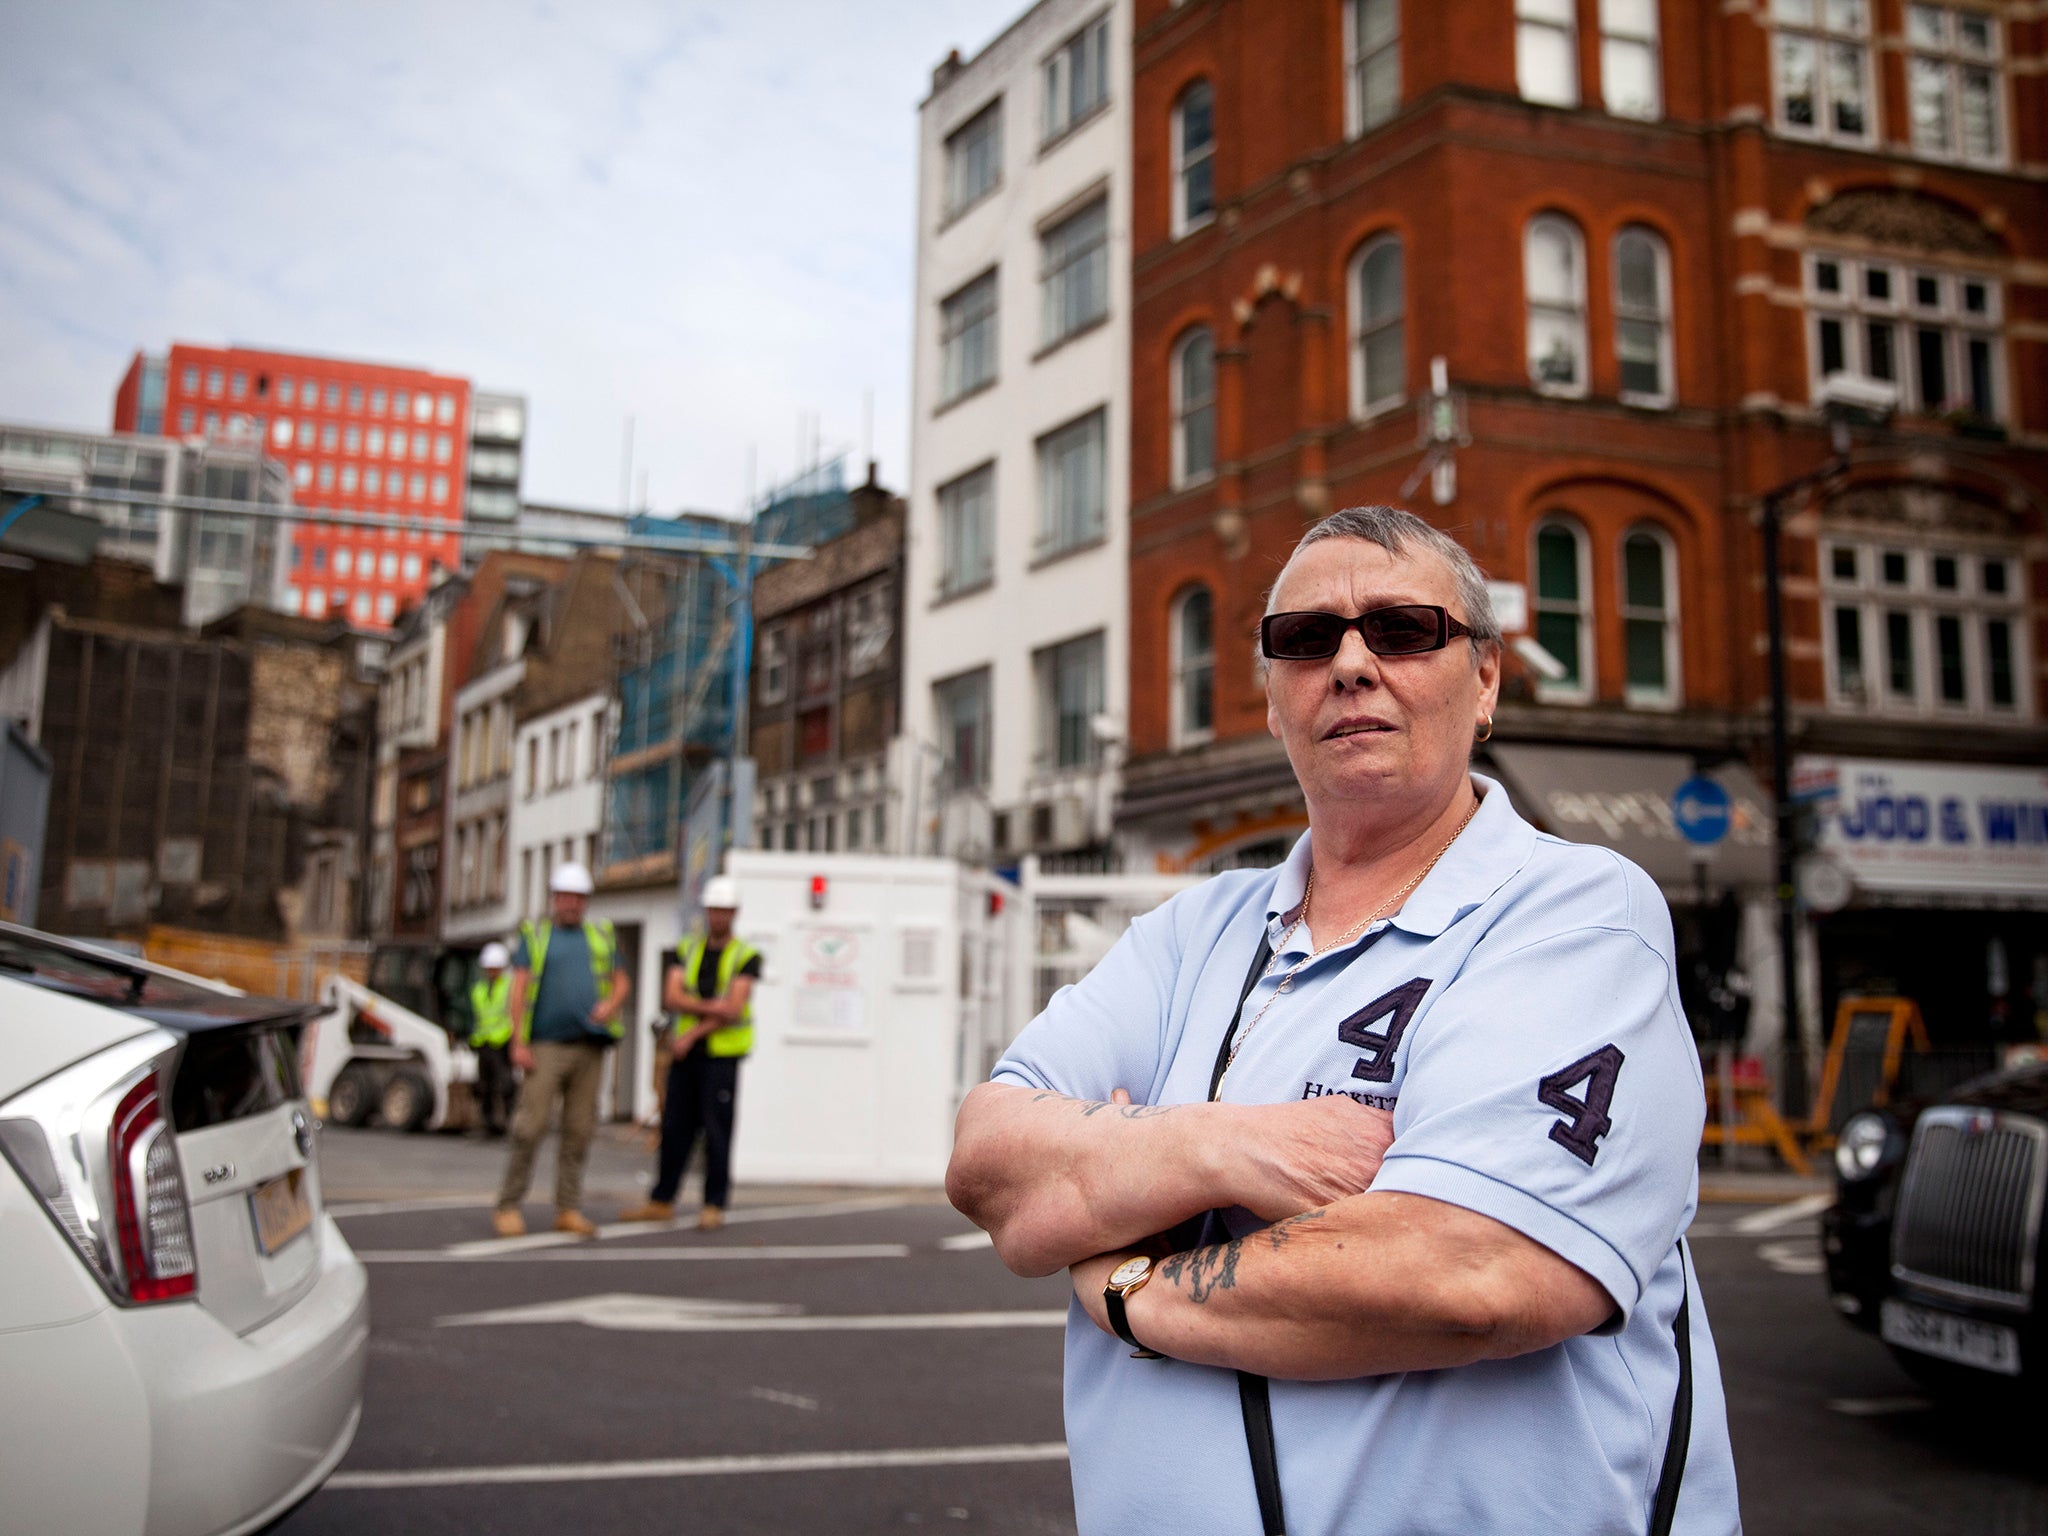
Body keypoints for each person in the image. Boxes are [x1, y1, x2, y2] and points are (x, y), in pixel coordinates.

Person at [947, 506, 1739, 1535]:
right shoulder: (1193, 929)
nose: (1352, 664)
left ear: (1485, 680)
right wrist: (1227, 1146)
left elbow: (1462, 1270)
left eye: (1405, 630)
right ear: (1273, 699)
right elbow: (990, 1161)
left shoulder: (1576, 911)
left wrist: (1126, 1279)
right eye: (1305, 639)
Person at [492, 862, 630, 1238]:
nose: (572, 905)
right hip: (545, 1046)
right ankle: (508, 1203)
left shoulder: (600, 935)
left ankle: (567, 1207)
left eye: (579, 898)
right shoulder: (535, 936)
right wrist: (518, 1042)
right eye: (566, 897)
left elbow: (621, 982)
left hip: (588, 1046)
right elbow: (518, 991)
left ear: (585, 901)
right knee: (530, 1126)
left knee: (579, 1129)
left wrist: (611, 1005)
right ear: (554, 899)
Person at [618, 875, 761, 1231]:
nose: (717, 917)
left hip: (720, 1057)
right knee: (675, 1128)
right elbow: (673, 997)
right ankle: (662, 1199)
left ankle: (714, 1203)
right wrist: (713, 1005)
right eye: (713, 910)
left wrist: (695, 1025)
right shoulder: (689, 948)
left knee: (717, 1131)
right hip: (686, 1057)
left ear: (734, 913)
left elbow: (735, 1008)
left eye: (724, 911)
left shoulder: (746, 956)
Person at [468, 941, 516, 1136]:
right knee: (484, 1085)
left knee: (505, 1085)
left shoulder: (509, 987)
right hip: (483, 1042)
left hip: (503, 1042)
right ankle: (489, 1125)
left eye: (494, 968)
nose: (491, 972)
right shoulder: (478, 990)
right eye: (489, 968)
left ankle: (507, 1123)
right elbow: (477, 1017)